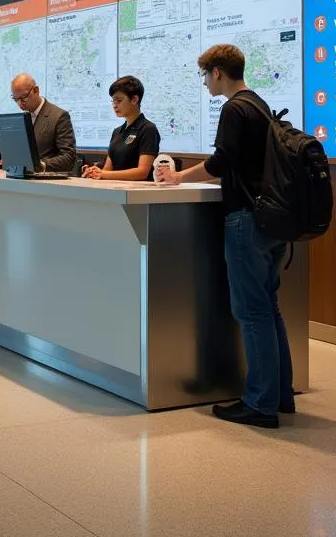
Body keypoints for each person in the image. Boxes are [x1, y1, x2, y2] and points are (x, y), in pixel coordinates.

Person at [155, 44, 293, 429]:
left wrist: (179, 177)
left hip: (245, 218)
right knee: (268, 307)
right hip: (270, 220)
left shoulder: (234, 108)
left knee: (251, 311)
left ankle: (261, 404)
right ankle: (280, 395)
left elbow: (221, 163)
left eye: (204, 75)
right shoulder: (260, 105)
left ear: (218, 72)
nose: (204, 83)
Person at [82, 76, 160, 181]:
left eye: (119, 100)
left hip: (137, 193)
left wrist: (103, 174)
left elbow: (142, 172)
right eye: (113, 101)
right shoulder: (117, 132)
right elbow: (107, 169)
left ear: (134, 100)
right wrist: (95, 172)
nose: (114, 105)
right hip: (115, 190)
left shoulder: (148, 129)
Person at [9, 74, 77, 173]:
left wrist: (41, 165)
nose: (20, 104)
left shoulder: (59, 116)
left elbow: (68, 158)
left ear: (36, 90)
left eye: (23, 98)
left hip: (47, 183)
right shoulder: (21, 118)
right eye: (16, 99)